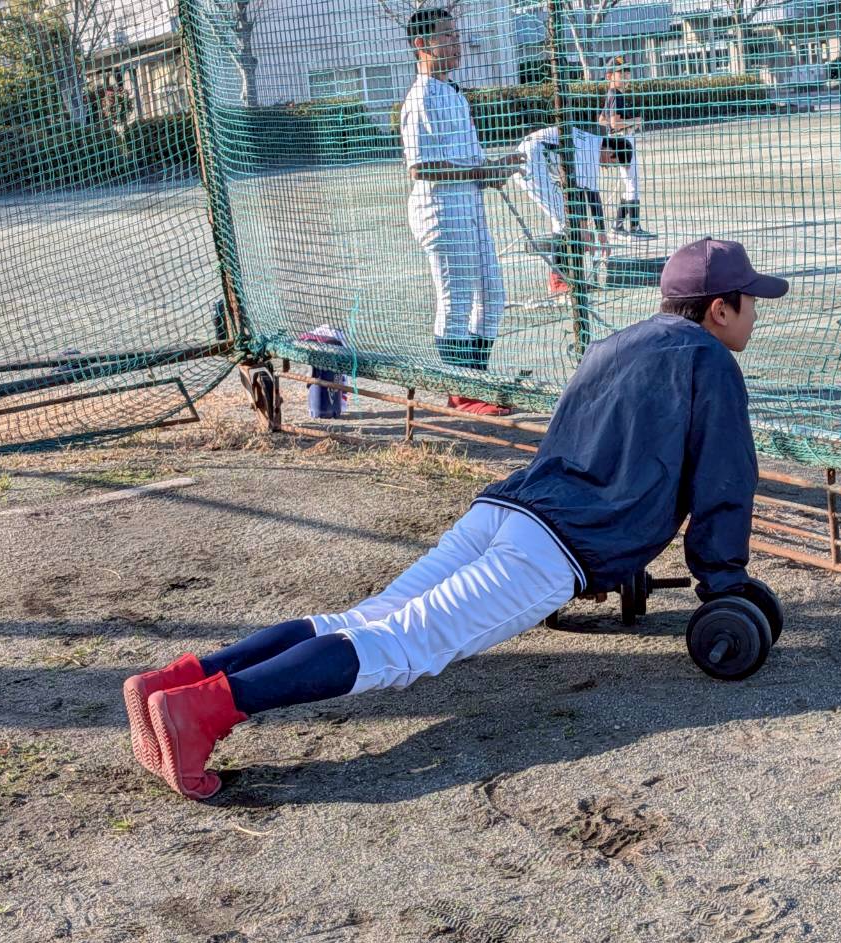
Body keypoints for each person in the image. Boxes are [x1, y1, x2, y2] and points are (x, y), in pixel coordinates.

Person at [122, 238, 789, 801]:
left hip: (507, 508)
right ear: (719, 308)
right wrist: (723, 582)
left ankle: (177, 681)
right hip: (554, 544)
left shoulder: (616, 343)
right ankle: (203, 710)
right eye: (751, 301)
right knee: (401, 646)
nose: (756, 313)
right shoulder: (710, 360)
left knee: (364, 618)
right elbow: (724, 480)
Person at [398, 7, 523, 416]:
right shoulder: (420, 98)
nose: (457, 43)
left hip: (468, 207)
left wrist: (497, 170)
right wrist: (480, 172)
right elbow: (420, 167)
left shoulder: (452, 93)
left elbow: (470, 165)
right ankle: (460, 392)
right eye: (447, 36)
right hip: (441, 211)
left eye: (456, 35)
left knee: (493, 295)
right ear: (422, 44)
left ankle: (476, 381)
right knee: (455, 300)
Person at [511, 124, 621, 296]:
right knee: (563, 218)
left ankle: (564, 276)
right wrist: (590, 231)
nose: (606, 167)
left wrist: (594, 231)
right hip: (530, 161)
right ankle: (557, 280)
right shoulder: (592, 151)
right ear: (610, 151)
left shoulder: (591, 142)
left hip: (537, 159)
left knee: (565, 217)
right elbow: (589, 194)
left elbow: (582, 191)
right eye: (612, 162)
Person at [597, 57, 654, 240]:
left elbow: (602, 120)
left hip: (618, 141)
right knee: (632, 184)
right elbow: (614, 123)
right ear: (609, 76)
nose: (626, 74)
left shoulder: (613, 93)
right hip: (622, 141)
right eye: (621, 72)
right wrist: (634, 121)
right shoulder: (616, 94)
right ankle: (634, 229)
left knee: (630, 184)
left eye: (627, 71)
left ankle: (618, 226)